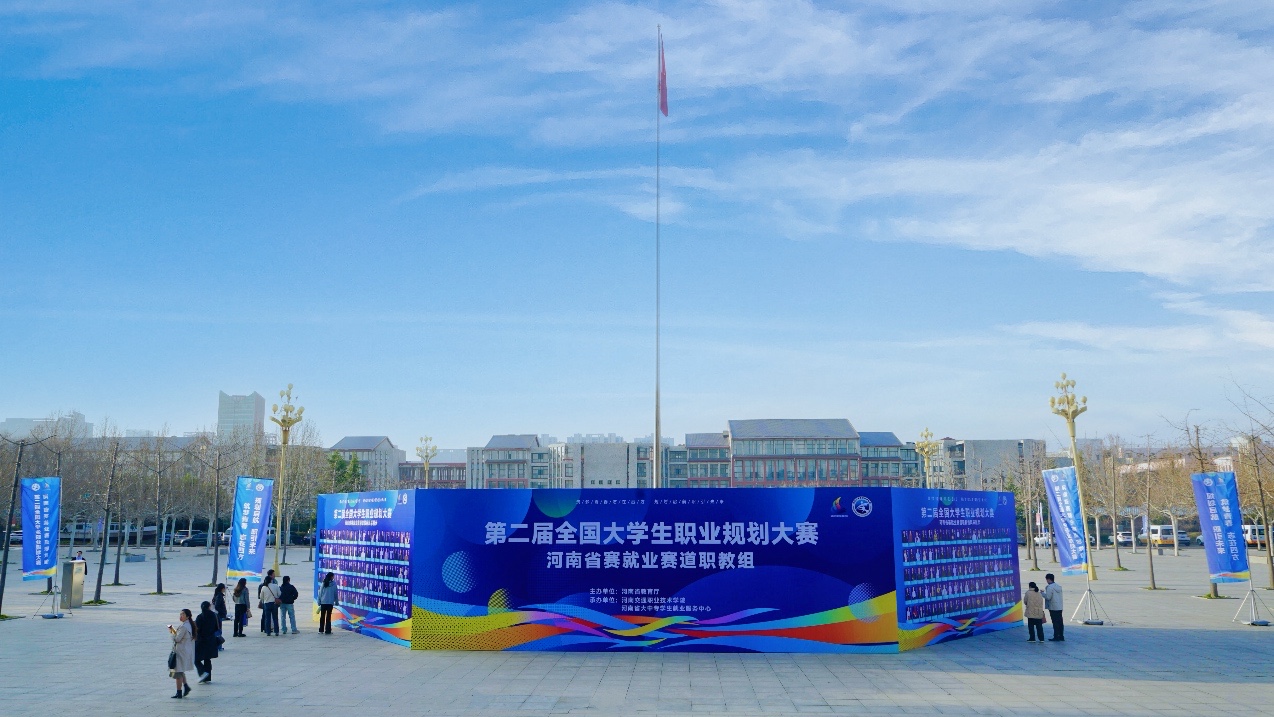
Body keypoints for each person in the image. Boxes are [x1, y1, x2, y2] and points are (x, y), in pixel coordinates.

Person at [168, 609, 196, 699]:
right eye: (180, 614)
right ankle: (186, 686)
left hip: (180, 652)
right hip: (185, 651)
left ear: (187, 616)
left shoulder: (184, 626)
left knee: (178, 673)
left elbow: (177, 639)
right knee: (180, 670)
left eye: (183, 614)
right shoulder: (189, 624)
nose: (181, 616)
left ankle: (179, 692)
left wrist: (171, 632)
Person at [194, 601, 219, 683]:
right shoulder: (214, 615)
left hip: (201, 640)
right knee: (207, 658)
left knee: (195, 659)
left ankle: (202, 673)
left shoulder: (200, 617)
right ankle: (207, 677)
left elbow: (197, 629)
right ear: (208, 607)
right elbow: (217, 628)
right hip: (211, 640)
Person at [1043, 573, 1064, 642]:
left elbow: (1048, 597)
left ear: (1048, 579)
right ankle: (1061, 636)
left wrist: (1042, 593)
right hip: (1059, 606)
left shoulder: (1050, 587)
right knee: (1060, 622)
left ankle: (1056, 636)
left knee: (1055, 622)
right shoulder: (1058, 586)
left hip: (1053, 607)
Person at [257, 569, 276, 633]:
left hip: (264, 601)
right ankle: (267, 628)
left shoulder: (261, 585)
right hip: (269, 601)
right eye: (273, 574)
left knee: (264, 615)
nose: (274, 575)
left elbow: (259, 596)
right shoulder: (273, 584)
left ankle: (263, 628)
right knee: (268, 616)